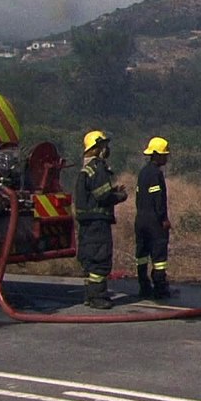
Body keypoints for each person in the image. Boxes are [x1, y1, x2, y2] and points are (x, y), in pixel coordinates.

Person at [73, 130, 126, 309]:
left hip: (87, 223)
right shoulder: (98, 167)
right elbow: (103, 196)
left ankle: (90, 296)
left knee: (89, 259)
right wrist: (120, 196)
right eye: (104, 146)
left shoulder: (86, 169)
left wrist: (112, 190)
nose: (107, 149)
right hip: (97, 222)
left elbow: (93, 193)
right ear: (97, 148)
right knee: (99, 259)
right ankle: (98, 297)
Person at [135, 136, 173, 299]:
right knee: (158, 256)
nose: (166, 157)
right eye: (164, 154)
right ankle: (160, 287)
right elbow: (158, 199)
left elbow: (139, 197)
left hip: (141, 219)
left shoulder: (143, 172)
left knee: (142, 254)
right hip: (154, 222)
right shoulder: (155, 174)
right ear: (156, 154)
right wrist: (163, 219)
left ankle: (144, 286)